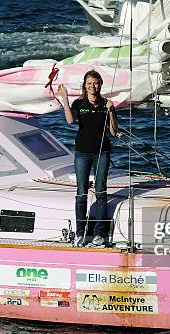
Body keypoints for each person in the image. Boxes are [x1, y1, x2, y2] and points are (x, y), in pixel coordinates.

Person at [57, 70, 118, 247]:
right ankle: (79, 233)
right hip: (82, 153)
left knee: (101, 191)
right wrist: (65, 99)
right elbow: (70, 120)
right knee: (81, 192)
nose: (93, 86)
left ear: (100, 84)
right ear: (85, 85)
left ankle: (99, 234)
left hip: (102, 152)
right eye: (89, 83)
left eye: (96, 83)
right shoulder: (80, 103)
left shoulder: (106, 103)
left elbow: (113, 131)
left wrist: (112, 111)